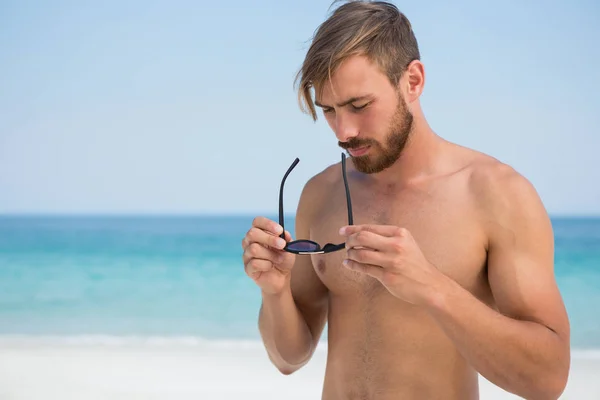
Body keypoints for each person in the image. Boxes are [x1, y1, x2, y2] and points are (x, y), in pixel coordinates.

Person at [241, 1, 571, 398]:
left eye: (359, 106)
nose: (343, 132)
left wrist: (432, 286)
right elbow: (288, 359)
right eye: (329, 110)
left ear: (412, 81)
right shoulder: (320, 192)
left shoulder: (496, 193)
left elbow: (548, 379)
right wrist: (274, 291)